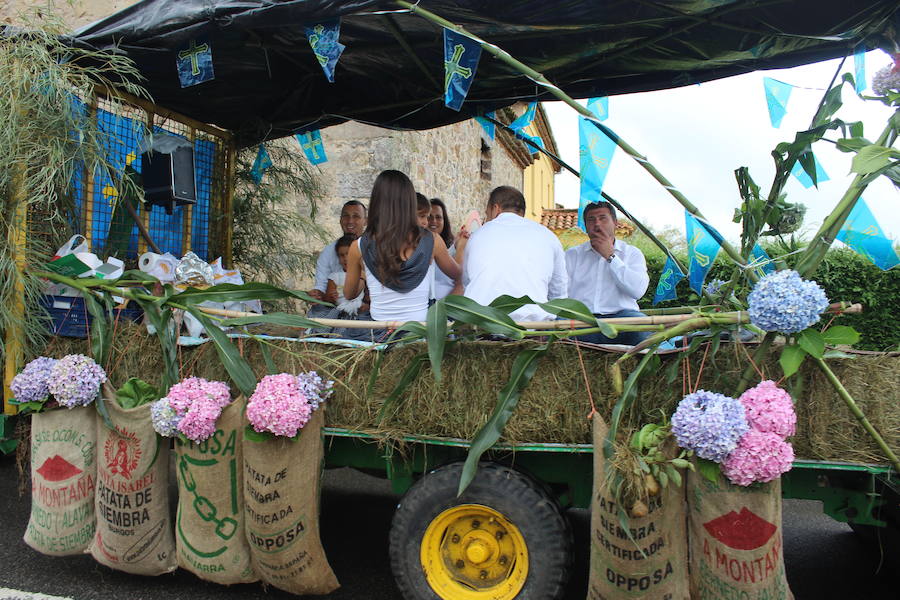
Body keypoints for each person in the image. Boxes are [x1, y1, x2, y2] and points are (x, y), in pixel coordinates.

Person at [344, 170, 461, 325]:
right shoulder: (432, 241)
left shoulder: (358, 247)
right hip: (419, 332)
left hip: (379, 333)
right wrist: (462, 246)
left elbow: (349, 294)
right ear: (410, 202)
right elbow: (459, 275)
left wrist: (365, 272)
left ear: (377, 202)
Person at [463, 186, 567, 322]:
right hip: (536, 327)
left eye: (487, 214)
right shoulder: (549, 236)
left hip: (483, 324)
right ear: (522, 212)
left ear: (496, 209)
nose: (486, 219)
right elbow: (559, 294)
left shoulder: (477, 236)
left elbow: (466, 282)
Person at [566, 201, 650, 345]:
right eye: (591, 220)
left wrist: (611, 256)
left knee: (642, 329)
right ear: (585, 226)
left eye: (603, 218)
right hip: (581, 319)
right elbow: (560, 292)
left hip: (622, 318)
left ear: (615, 223)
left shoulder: (632, 253)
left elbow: (638, 291)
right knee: (552, 327)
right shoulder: (571, 255)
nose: (597, 224)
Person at [308, 200, 367, 301]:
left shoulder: (375, 249)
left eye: (356, 216)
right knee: (317, 309)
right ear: (340, 220)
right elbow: (321, 287)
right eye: (346, 216)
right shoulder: (329, 251)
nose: (350, 221)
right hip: (335, 305)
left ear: (366, 221)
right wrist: (317, 295)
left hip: (368, 306)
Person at [428, 197, 464, 299]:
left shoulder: (452, 247)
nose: (434, 221)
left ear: (444, 221)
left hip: (446, 304)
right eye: (429, 217)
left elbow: (460, 279)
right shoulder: (417, 246)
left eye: (438, 217)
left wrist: (459, 246)